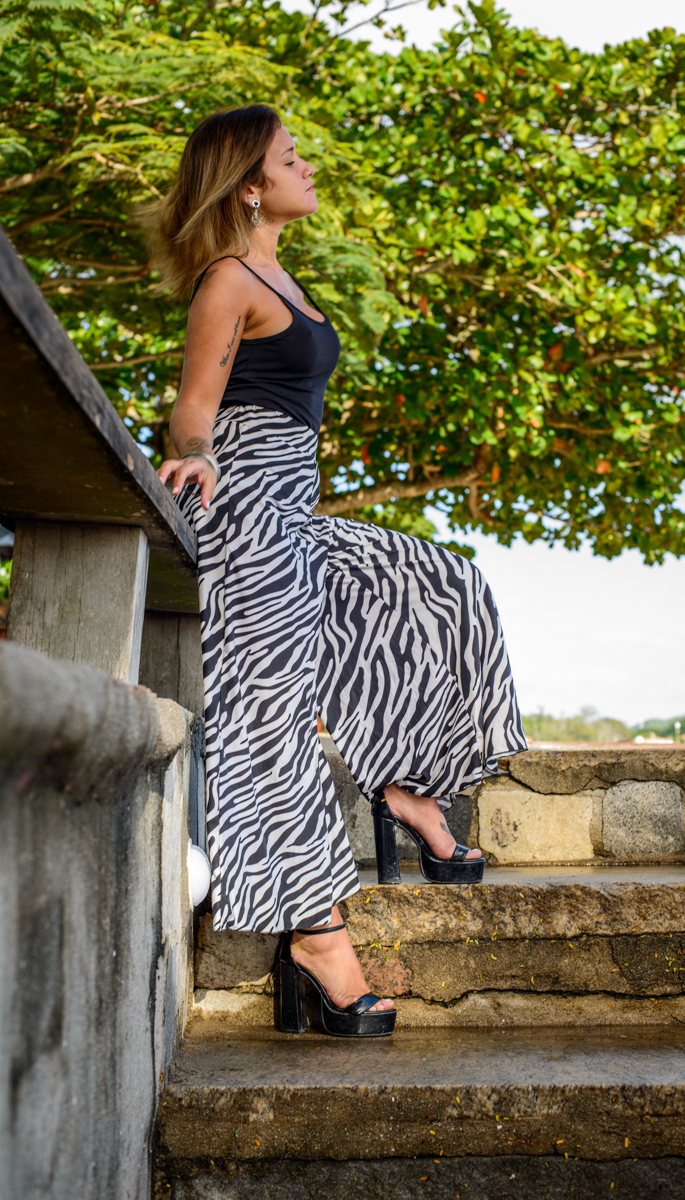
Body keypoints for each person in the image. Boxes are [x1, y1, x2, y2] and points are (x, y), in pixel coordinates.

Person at [150, 104, 527, 1038]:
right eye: (290, 157)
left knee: (443, 587)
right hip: (246, 511)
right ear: (249, 183)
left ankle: (403, 788)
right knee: (268, 718)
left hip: (294, 509)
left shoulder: (281, 273)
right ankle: (318, 939)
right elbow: (194, 411)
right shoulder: (227, 281)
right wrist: (194, 457)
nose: (306, 167)